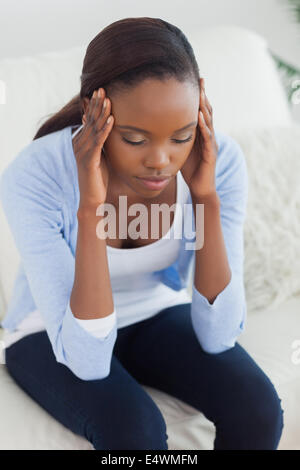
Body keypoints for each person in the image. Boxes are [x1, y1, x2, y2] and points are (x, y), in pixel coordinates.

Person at [0, 17, 284, 450]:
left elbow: (218, 335)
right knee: (137, 435)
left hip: (152, 310)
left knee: (258, 410)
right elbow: (89, 362)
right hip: (50, 331)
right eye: (134, 139)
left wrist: (205, 198)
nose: (161, 161)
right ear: (97, 110)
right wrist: (91, 207)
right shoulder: (36, 175)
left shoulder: (217, 160)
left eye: (181, 136)